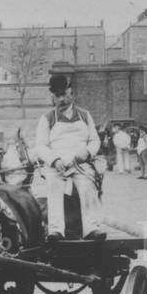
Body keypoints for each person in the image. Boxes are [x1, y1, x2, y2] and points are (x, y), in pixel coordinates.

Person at [35, 74, 106, 243]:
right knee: (54, 187)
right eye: (58, 96)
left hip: (80, 163)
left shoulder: (84, 115)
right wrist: (54, 160)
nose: (62, 100)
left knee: (88, 184)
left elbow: (95, 140)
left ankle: (91, 228)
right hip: (57, 165)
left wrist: (87, 152)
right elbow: (41, 146)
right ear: (53, 97)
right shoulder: (47, 118)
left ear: (72, 94)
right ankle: (56, 230)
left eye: (65, 95)